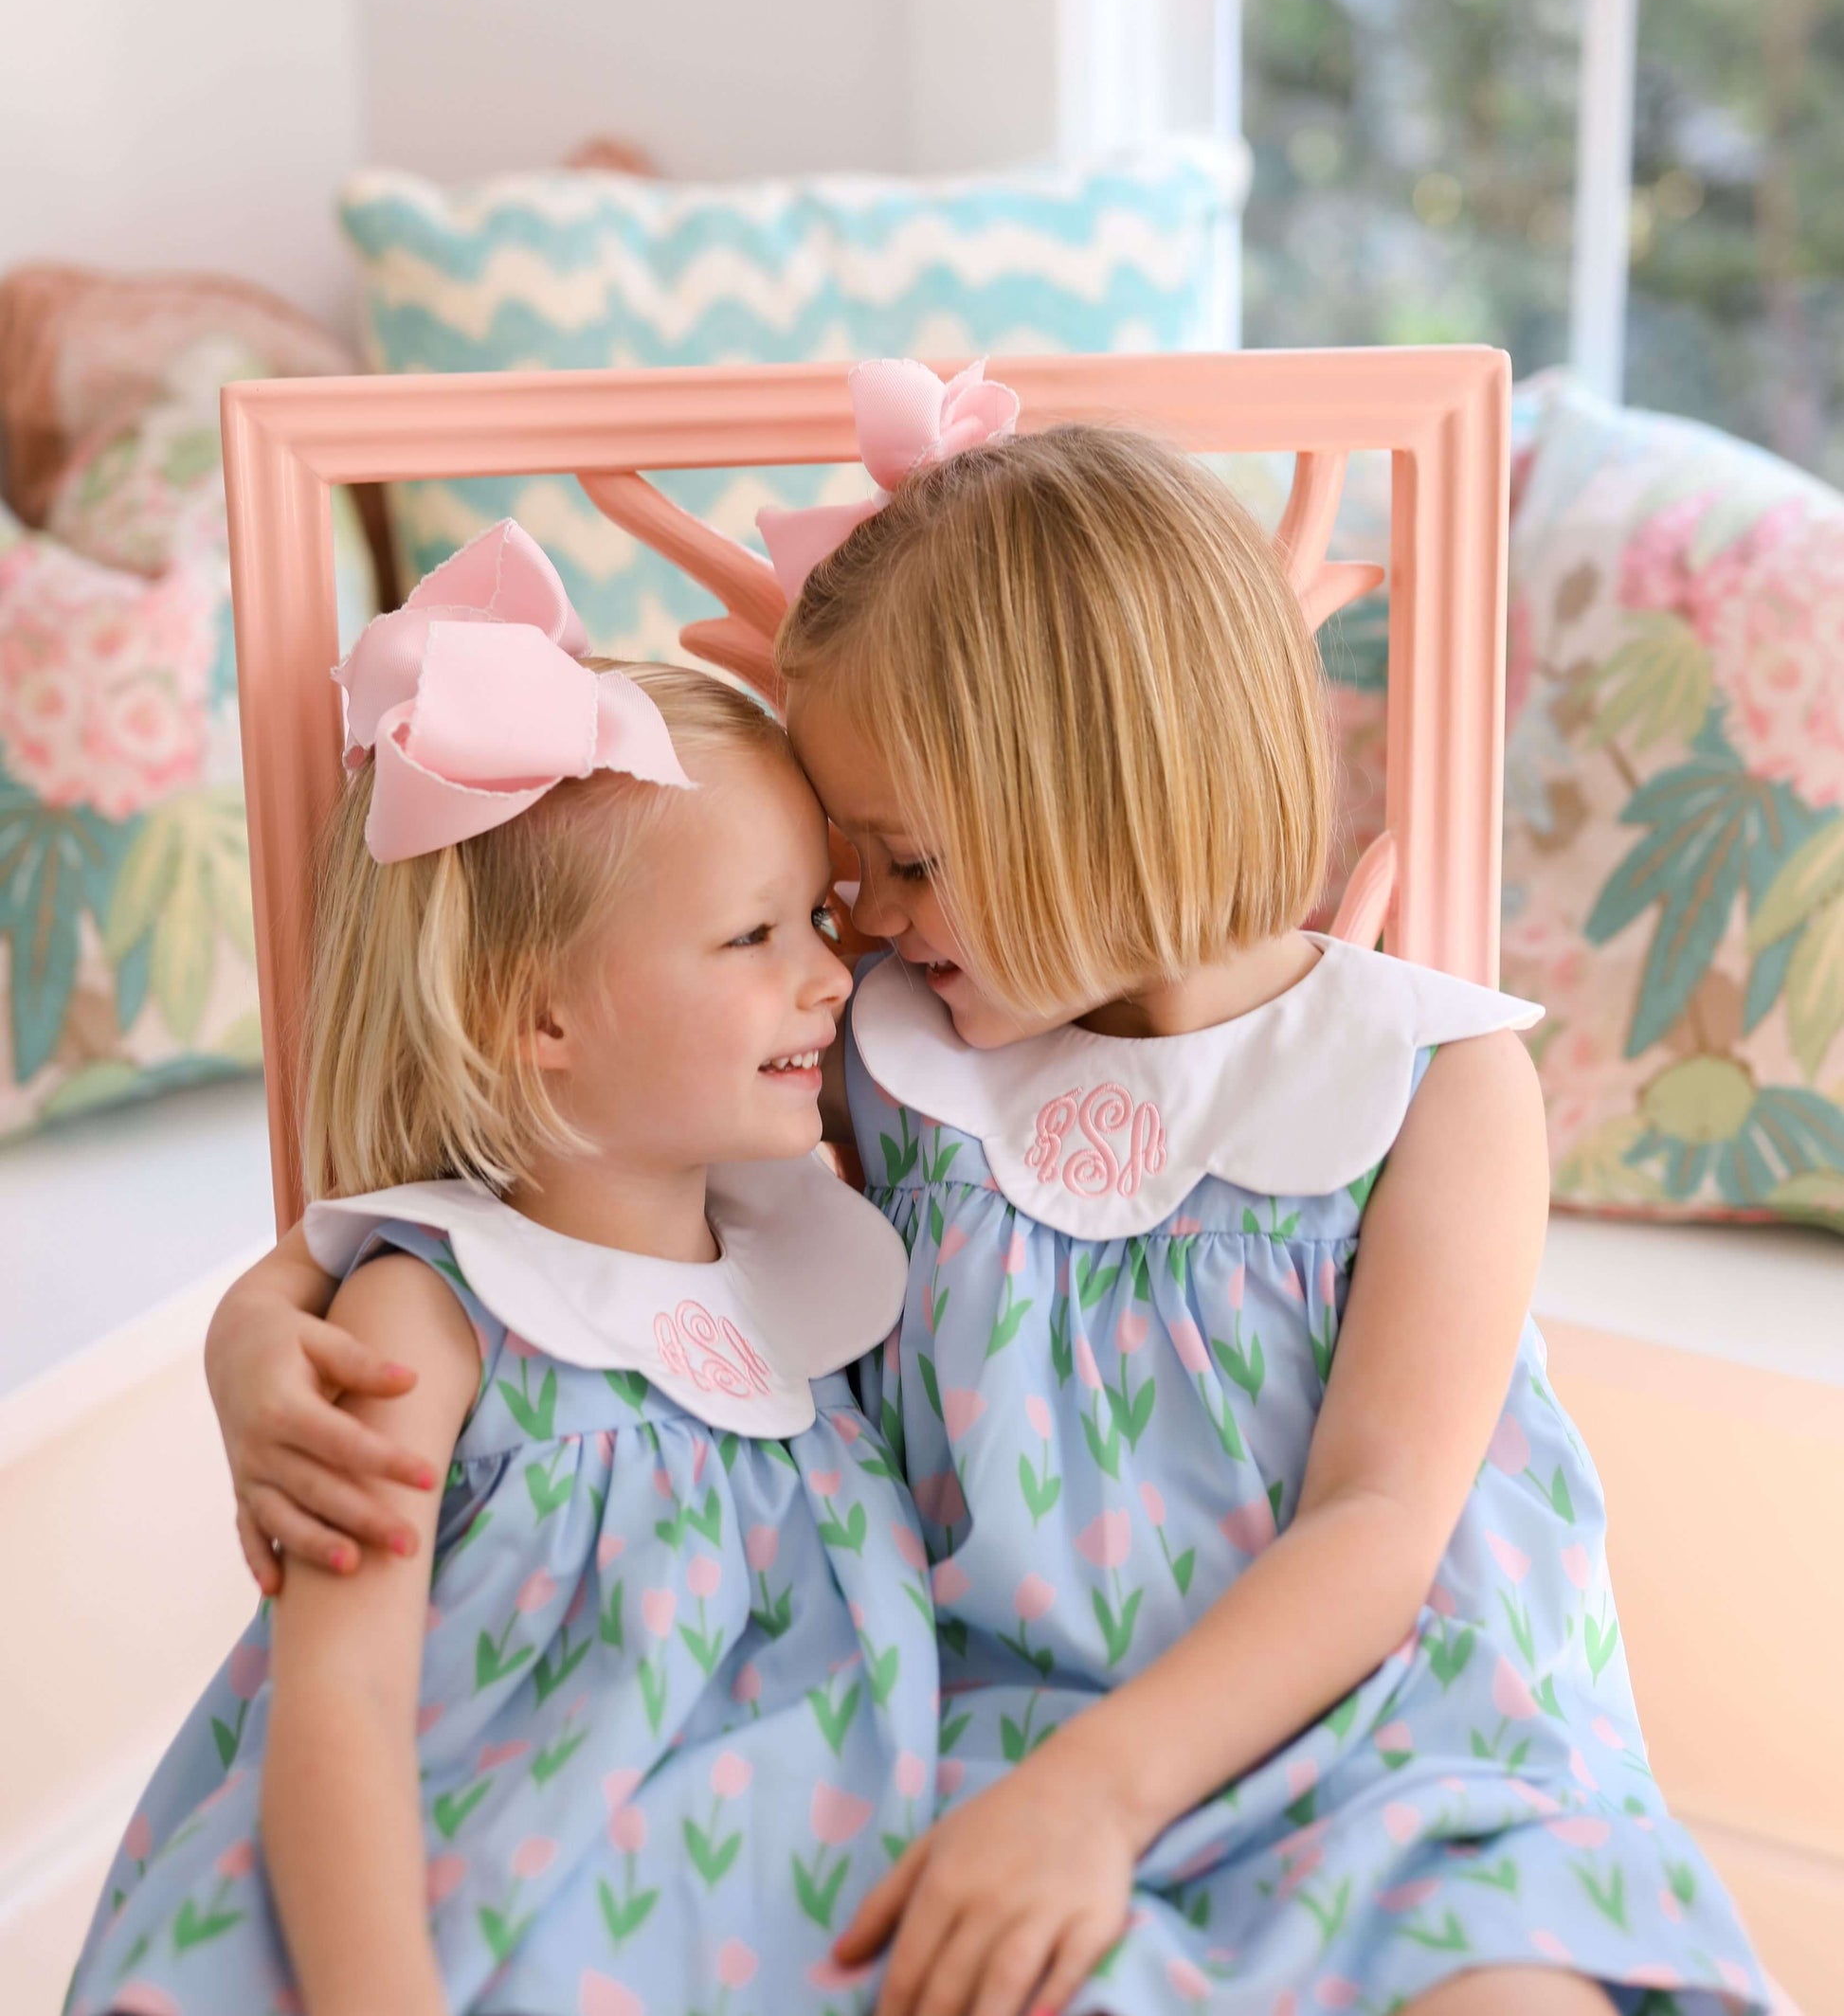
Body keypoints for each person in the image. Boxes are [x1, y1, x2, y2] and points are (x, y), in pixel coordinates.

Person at [200, 372, 1772, 2016]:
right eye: (834, 881)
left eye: (904, 859)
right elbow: (560, 1214)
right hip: (988, 1748)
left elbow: (1381, 1526)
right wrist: (257, 1334)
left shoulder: (1431, 1080)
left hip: (1385, 1743)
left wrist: (1097, 1795)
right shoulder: (887, 1060)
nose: (862, 919)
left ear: (1103, 799)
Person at [69, 522, 936, 2016]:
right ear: (537, 1021)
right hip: (497, 1893)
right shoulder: (444, 1301)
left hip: (789, 1906)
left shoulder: (827, 1250)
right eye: (752, 934)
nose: (828, 973)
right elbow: (335, 1703)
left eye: (822, 918)